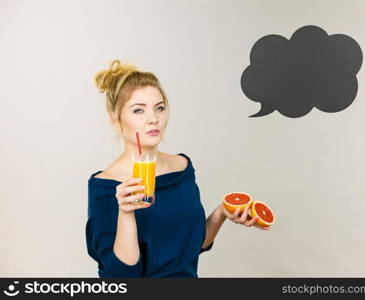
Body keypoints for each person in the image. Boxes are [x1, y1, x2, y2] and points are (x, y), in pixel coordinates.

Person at [86, 59, 270, 278]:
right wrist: (126, 213)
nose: (153, 119)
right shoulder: (106, 186)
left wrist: (222, 212)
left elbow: (191, 246)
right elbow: (121, 277)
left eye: (159, 108)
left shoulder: (181, 168)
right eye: (138, 111)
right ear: (116, 120)